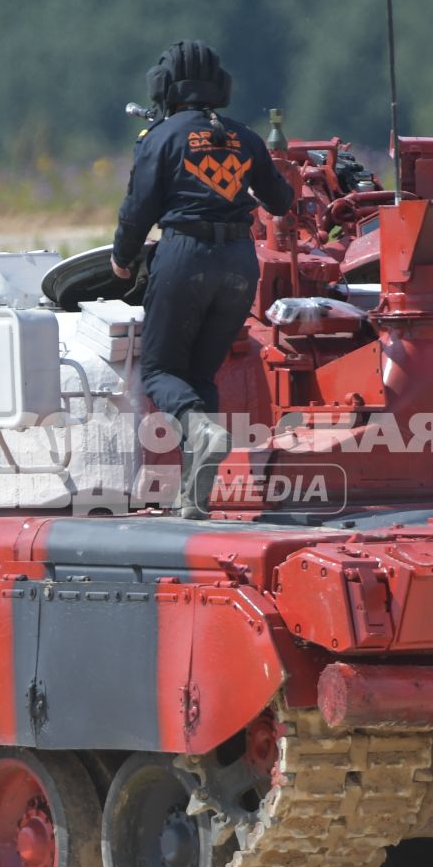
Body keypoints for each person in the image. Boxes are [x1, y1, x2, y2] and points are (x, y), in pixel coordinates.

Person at [110, 40, 293, 516]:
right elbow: (280, 202)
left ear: (164, 88)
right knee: (199, 375)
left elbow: (138, 210)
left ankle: (201, 432)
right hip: (238, 262)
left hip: (184, 256)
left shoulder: (161, 137)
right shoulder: (246, 137)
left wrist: (122, 258)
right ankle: (195, 496)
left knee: (160, 372)